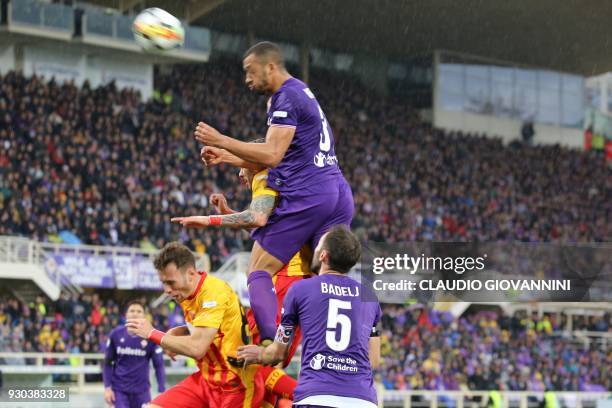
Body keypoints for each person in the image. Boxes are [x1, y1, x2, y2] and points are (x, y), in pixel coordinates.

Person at [195, 41, 354, 343]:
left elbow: (272, 155)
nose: (247, 79)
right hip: (337, 191)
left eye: (250, 71)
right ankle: (340, 347)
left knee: (258, 271)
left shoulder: (284, 98)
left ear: (270, 67)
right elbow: (288, 152)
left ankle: (272, 343)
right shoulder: (300, 90)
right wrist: (227, 156)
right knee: (327, 276)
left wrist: (222, 139)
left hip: (309, 194)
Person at [172, 156, 307, 407]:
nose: (239, 175)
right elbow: (269, 232)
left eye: (241, 166)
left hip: (285, 279)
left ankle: (311, 396)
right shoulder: (282, 183)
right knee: (258, 364)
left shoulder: (265, 177)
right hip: (289, 279)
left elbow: (258, 219)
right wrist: (229, 214)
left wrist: (210, 220)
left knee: (250, 358)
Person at [238, 226, 381, 408]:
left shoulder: (299, 290)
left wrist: (260, 354)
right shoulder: (369, 297)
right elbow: (373, 360)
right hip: (363, 399)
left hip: (315, 397)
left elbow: (278, 352)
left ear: (323, 256)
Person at [125, 242, 257, 408]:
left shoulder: (212, 293)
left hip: (234, 386)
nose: (166, 289)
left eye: (170, 282)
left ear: (190, 273)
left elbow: (197, 347)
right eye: (163, 282)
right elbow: (213, 327)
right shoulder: (186, 291)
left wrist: (152, 333)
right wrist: (178, 331)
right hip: (206, 380)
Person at [103, 300, 166, 408]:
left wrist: (162, 390)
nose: (135, 313)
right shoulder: (115, 334)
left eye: (139, 311)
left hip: (142, 392)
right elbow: (108, 363)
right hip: (120, 391)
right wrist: (107, 387)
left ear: (144, 316)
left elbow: (159, 365)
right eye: (132, 310)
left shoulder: (151, 337)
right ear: (126, 314)